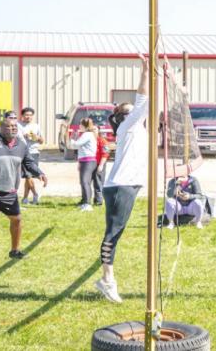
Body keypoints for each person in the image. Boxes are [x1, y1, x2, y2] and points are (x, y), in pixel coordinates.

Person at [95, 55, 149, 303]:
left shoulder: (136, 128)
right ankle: (107, 281)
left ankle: (107, 279)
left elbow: (146, 105)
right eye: (127, 111)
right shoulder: (129, 125)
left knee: (115, 231)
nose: (133, 111)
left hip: (126, 184)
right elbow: (143, 99)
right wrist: (147, 71)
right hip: (120, 186)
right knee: (113, 233)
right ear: (122, 116)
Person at [0, 117, 47, 259]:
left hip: (8, 190)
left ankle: (15, 251)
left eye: (14, 126)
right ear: (1, 128)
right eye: (9, 126)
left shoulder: (21, 145)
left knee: (17, 219)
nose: (12, 128)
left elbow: (29, 163)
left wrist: (39, 173)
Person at [70, 118, 98, 212]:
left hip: (88, 161)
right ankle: (85, 202)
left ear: (84, 125)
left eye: (80, 124)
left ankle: (87, 204)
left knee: (85, 182)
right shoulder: (89, 134)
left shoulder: (87, 134)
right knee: (84, 182)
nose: (79, 126)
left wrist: (73, 138)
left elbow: (75, 145)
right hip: (86, 161)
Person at [18, 107, 44, 205]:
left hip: (34, 152)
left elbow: (42, 141)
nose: (28, 117)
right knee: (28, 175)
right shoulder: (18, 125)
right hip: (22, 152)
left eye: (30, 115)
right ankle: (35, 194)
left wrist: (36, 137)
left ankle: (25, 198)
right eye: (26, 115)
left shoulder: (36, 126)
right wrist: (23, 136)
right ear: (22, 115)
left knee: (29, 176)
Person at [93, 129, 110, 206]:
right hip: (91, 164)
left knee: (98, 182)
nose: (93, 131)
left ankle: (99, 201)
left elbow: (105, 154)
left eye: (94, 129)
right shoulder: (90, 140)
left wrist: (101, 165)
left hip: (99, 164)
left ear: (98, 131)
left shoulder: (102, 141)